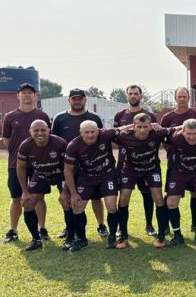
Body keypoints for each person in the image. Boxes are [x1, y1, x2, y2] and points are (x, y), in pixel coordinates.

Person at [51, 88, 108, 240]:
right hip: (68, 165)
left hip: (91, 166)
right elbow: (53, 141)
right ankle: (69, 228)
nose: (77, 101)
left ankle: (101, 225)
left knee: (96, 197)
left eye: (80, 98)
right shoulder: (60, 118)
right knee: (67, 197)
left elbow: (102, 137)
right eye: (74, 98)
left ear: (85, 100)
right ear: (69, 100)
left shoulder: (93, 118)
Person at [1, 83, 51, 244]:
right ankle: (13, 230)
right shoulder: (10, 116)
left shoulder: (42, 116)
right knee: (16, 197)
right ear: (18, 96)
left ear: (35, 96)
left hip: (38, 164)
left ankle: (41, 228)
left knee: (39, 197)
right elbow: (6, 139)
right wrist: (18, 154)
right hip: (16, 164)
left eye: (30, 93)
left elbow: (47, 137)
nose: (27, 95)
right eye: (24, 93)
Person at [63, 121, 121, 251]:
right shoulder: (73, 145)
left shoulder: (106, 135)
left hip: (107, 175)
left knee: (111, 205)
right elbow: (68, 170)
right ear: (81, 132)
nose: (90, 135)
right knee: (77, 206)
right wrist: (73, 194)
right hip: (86, 178)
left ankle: (112, 237)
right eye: (86, 132)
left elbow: (123, 129)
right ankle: (82, 240)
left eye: (93, 132)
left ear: (98, 131)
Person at [115, 113, 171, 248]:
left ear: (150, 127)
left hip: (151, 169)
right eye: (139, 127)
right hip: (130, 170)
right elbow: (107, 132)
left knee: (158, 198)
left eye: (145, 126)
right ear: (133, 127)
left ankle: (161, 235)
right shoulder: (124, 136)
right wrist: (127, 126)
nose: (142, 130)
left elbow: (179, 128)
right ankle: (123, 234)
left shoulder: (157, 134)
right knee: (123, 198)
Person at [112, 85, 159, 237]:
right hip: (125, 162)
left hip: (147, 164)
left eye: (136, 93)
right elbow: (115, 135)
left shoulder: (149, 115)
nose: (133, 96)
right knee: (124, 195)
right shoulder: (119, 115)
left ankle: (149, 225)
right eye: (130, 93)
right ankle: (121, 228)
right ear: (126, 96)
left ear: (140, 96)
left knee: (148, 194)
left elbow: (156, 135)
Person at [160, 86, 196, 234]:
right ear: (175, 98)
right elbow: (164, 139)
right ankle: (168, 225)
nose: (182, 99)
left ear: (189, 98)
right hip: (175, 163)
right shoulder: (168, 117)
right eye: (179, 97)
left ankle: (195, 224)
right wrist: (172, 152)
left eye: (184, 97)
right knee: (172, 195)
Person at [16, 120, 69, 251]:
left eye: (43, 130)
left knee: (66, 201)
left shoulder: (60, 143)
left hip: (61, 175)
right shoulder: (25, 145)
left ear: (49, 130)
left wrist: (65, 191)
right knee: (27, 203)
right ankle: (36, 239)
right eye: (36, 130)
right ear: (30, 132)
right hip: (40, 175)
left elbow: (69, 169)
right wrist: (25, 191)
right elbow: (20, 168)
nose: (40, 133)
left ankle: (70, 236)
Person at [163, 118, 196, 246]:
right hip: (179, 171)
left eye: (195, 134)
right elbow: (161, 134)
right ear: (183, 132)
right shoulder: (175, 137)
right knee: (171, 202)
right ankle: (177, 235)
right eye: (188, 134)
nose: (191, 137)